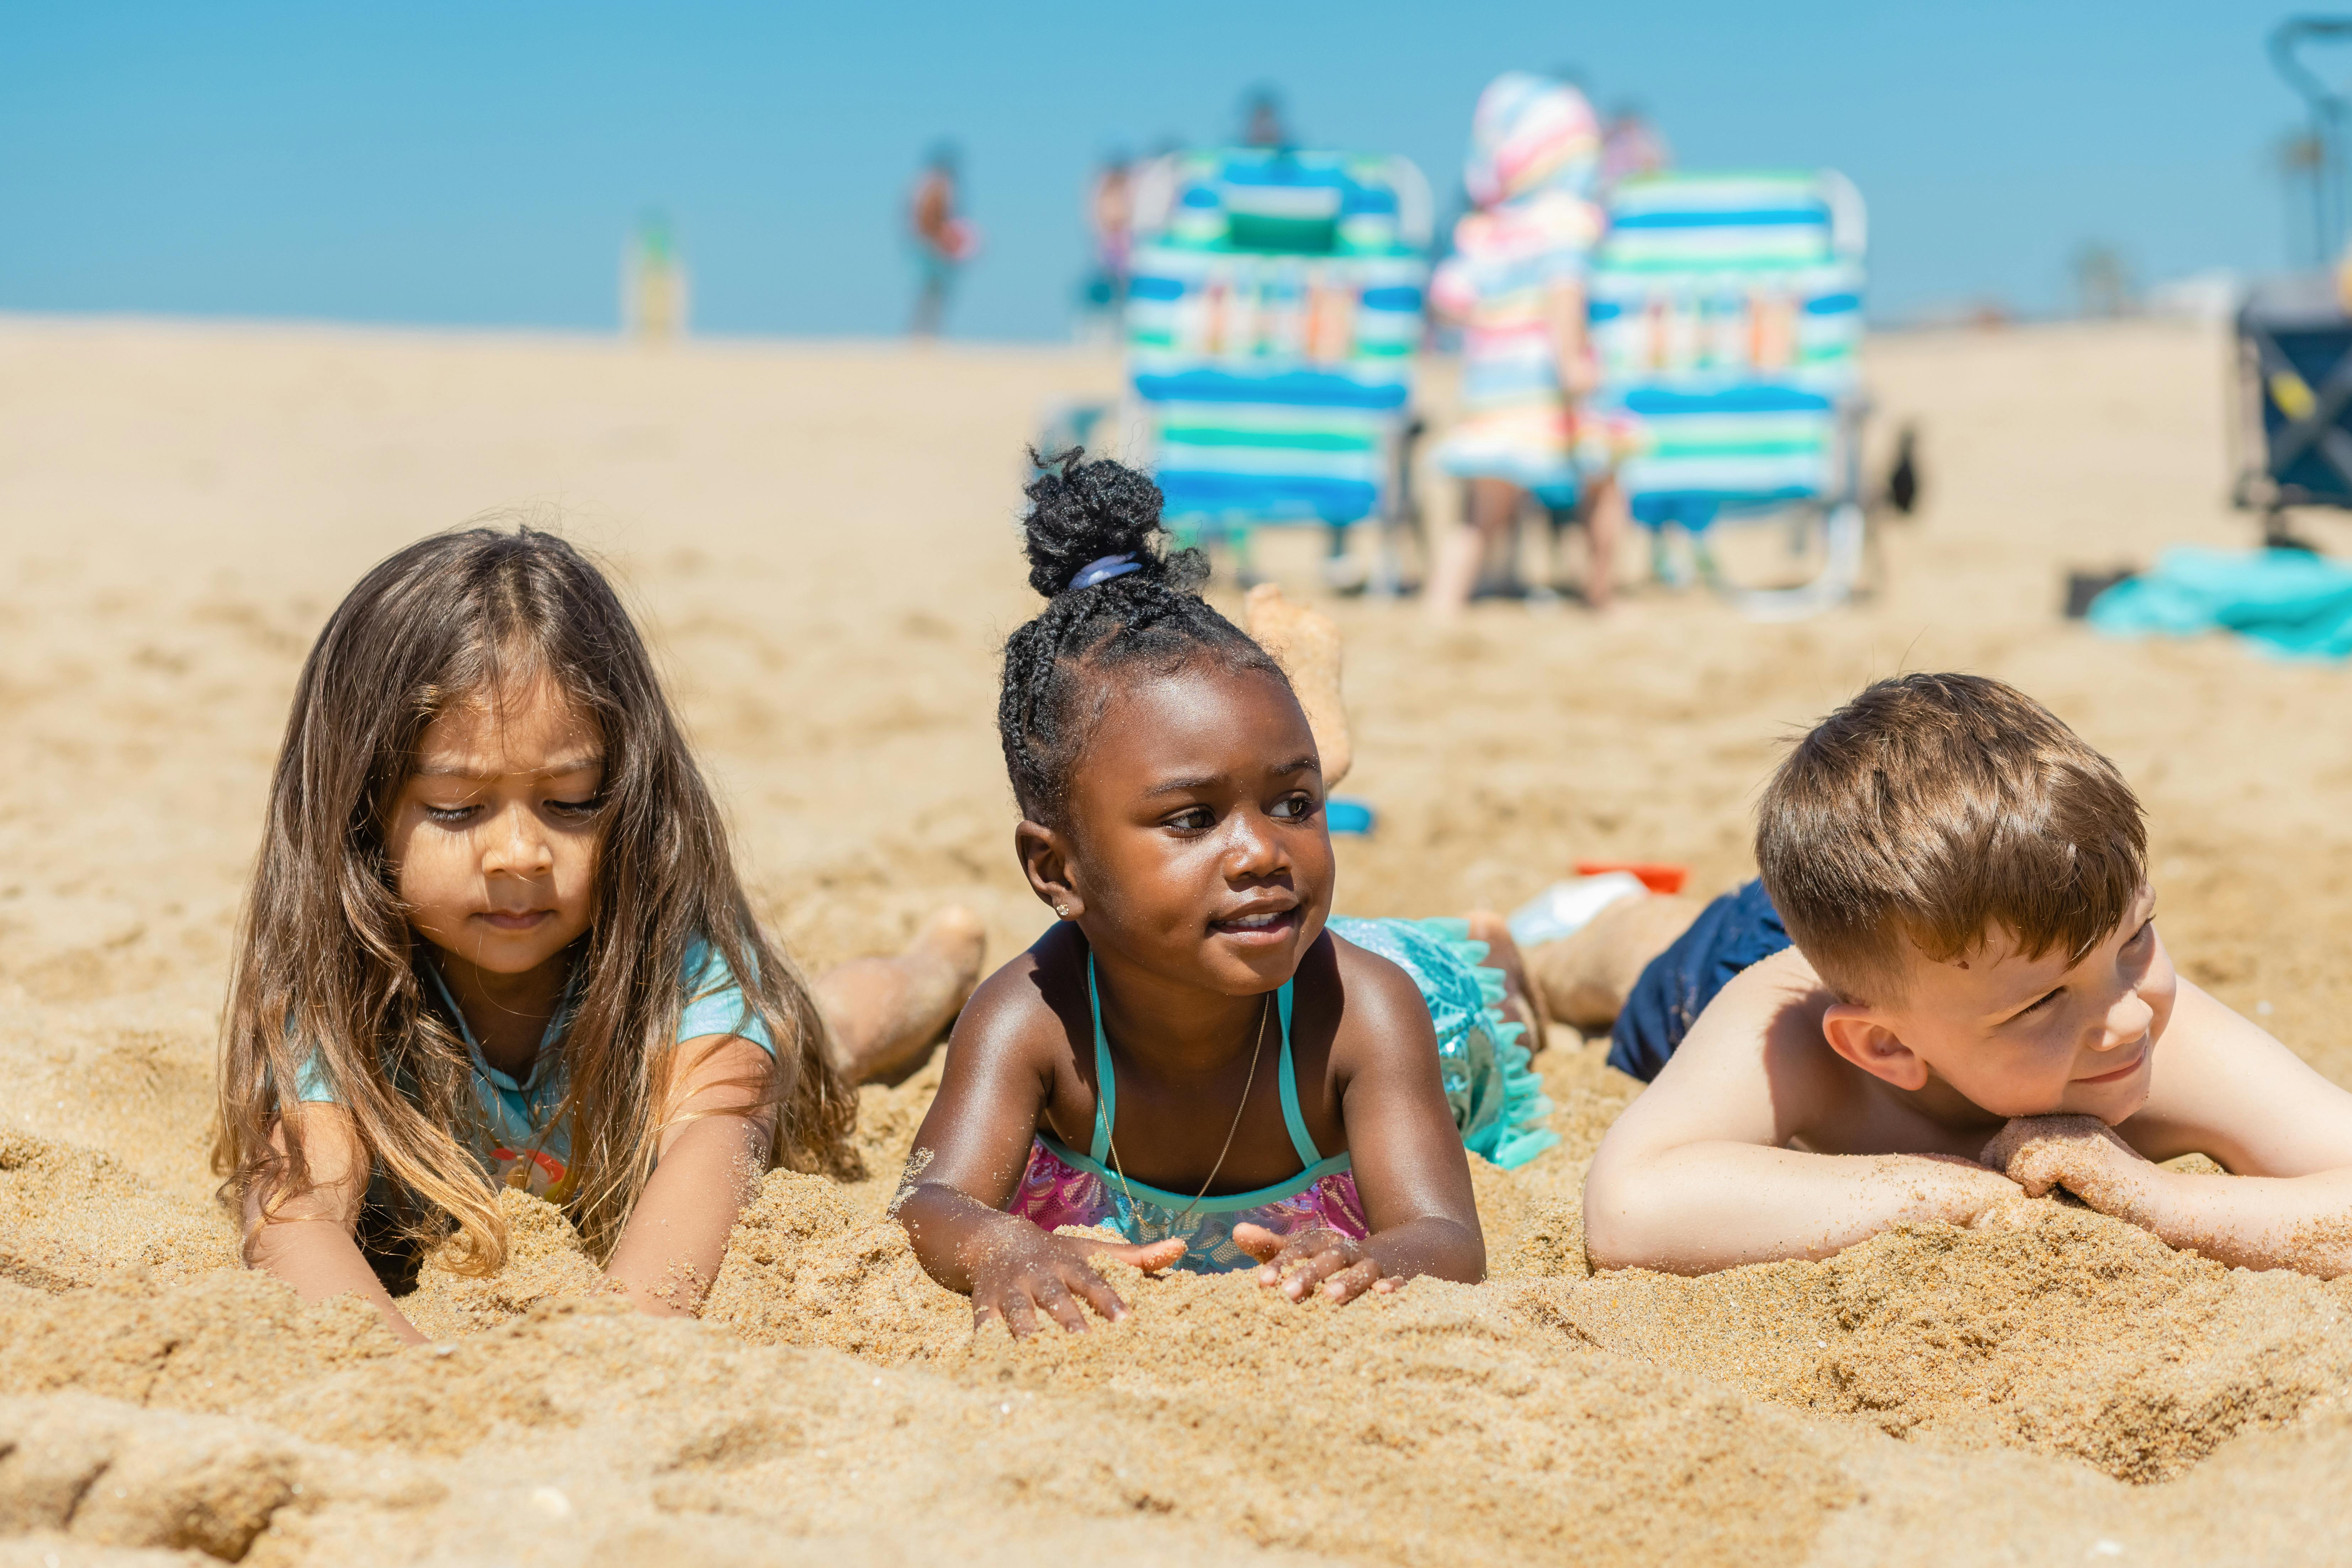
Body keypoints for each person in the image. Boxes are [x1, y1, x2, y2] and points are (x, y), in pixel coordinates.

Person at [214, 527, 987, 1344]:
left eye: (573, 799)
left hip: (715, 1032)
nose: (520, 853)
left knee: (826, 1027)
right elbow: (295, 1220)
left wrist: (592, 1359)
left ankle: (937, 961)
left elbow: (654, 1297)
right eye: (455, 806)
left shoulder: (694, 987)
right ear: (363, 815)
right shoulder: (341, 996)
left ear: (628, 792)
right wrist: (414, 1378)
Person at [893, 452, 1558, 1335]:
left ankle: (1492, 952)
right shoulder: (1027, 1018)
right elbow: (928, 1200)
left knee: (1486, 1003)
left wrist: (1382, 1255)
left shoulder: (1369, 1012)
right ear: (1056, 873)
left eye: (1297, 804)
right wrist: (1002, 1244)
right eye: (1192, 817)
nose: (1260, 852)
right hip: (1258, 938)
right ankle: (1305, 736)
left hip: (1429, 1004)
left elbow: (1446, 1236)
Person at [1581, 674, 2352, 1278]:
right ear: (1885, 1045)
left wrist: (2168, 1202)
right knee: (1631, 957)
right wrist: (1945, 1190)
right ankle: (1583, 920)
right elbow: (1630, 1208)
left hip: (1938, 943)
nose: (2126, 1016)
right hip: (1748, 953)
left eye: (2137, 936)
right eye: (2045, 1001)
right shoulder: (1782, 1030)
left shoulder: (2156, 1023)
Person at [1426, 72, 1630, 618]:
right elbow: (1565, 293)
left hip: (1494, 392)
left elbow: (1449, 299)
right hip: (1552, 385)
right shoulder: (1567, 220)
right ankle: (1602, 596)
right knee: (1605, 482)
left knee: (1481, 514)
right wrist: (1572, 363)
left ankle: (1441, 603)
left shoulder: (1485, 230)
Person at [909, 143, 976, 338]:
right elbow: (929, 218)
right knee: (932, 291)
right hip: (931, 246)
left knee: (932, 291)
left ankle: (924, 333)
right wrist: (941, 239)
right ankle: (923, 333)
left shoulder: (923, 185)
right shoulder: (937, 186)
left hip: (929, 244)